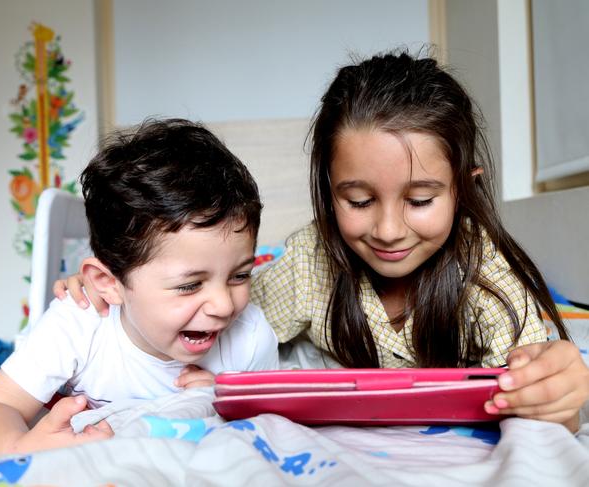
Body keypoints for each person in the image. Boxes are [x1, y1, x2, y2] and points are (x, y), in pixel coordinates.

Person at [55, 52, 589, 432]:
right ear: (327, 193)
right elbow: (218, 319)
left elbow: (542, 406)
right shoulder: (313, 258)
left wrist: (559, 396)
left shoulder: (487, 281)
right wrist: (119, 300)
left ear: (464, 190)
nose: (386, 230)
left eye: (420, 200)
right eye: (358, 201)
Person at [0, 118, 279, 456]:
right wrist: (18, 445)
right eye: (190, 285)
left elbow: (276, 426)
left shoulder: (249, 337)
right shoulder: (81, 320)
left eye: (239, 275)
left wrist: (230, 404)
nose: (224, 305)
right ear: (108, 284)